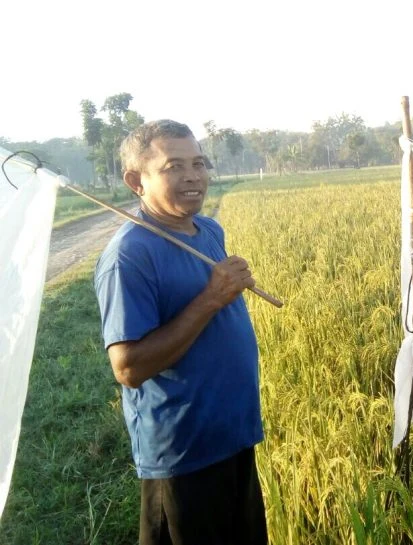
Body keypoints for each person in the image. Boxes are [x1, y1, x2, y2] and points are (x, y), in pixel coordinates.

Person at [94, 119, 268, 544]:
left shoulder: (209, 231)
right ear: (136, 181)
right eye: (174, 166)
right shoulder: (129, 256)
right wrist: (212, 298)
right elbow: (128, 368)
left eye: (199, 163)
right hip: (184, 454)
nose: (193, 176)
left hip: (234, 434)